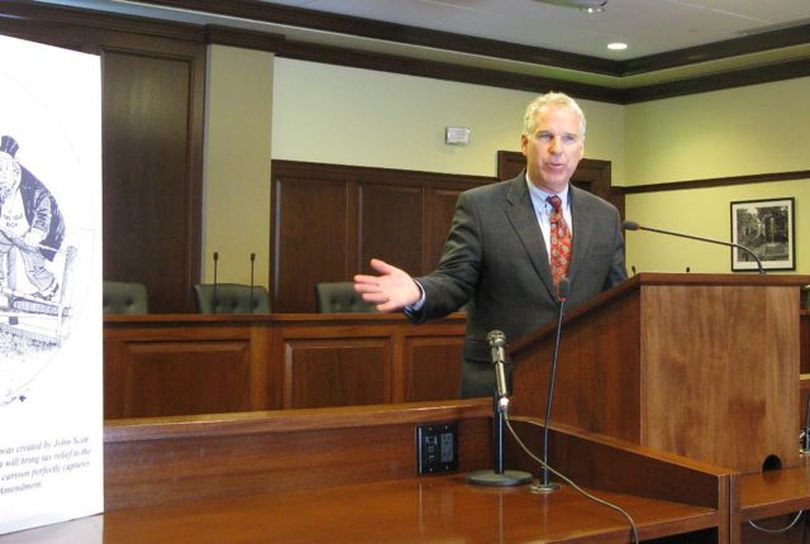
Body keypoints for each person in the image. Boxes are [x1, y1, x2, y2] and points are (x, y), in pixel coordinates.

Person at [354, 92, 627, 397]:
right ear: (525, 143)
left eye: (568, 138)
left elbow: (619, 303)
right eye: (545, 136)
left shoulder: (605, 216)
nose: (556, 150)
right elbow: (455, 280)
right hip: (501, 382)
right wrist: (419, 292)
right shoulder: (482, 206)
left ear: (581, 150)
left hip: (583, 384)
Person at [0, 135, 65, 301]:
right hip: (6, 231)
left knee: (33, 270)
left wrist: (36, 232)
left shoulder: (33, 187)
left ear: (14, 168)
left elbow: (44, 213)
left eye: (1, 170)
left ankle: (50, 290)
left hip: (28, 234)